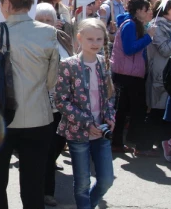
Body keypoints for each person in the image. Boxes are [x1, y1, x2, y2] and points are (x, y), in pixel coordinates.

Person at [0, 0, 59, 209]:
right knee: (34, 185)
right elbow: (52, 80)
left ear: (7, 4)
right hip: (40, 118)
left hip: (1, 117)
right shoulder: (48, 32)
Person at [55, 18, 115, 209]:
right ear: (79, 38)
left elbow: (110, 96)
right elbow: (61, 100)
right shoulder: (68, 65)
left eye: (99, 39)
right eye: (90, 39)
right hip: (78, 132)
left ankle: (89, 204)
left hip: (102, 132)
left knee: (106, 180)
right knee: (82, 183)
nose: (95, 43)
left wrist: (111, 117)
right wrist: (87, 122)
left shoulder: (103, 63)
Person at [35, 2, 73, 207]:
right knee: (45, 150)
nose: (45, 24)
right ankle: (45, 192)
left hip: (62, 105)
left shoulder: (63, 39)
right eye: (40, 20)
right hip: (39, 105)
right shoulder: (29, 42)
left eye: (48, 20)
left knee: (57, 145)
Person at [110, 0, 157, 156]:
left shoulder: (133, 24)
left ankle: (118, 143)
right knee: (135, 110)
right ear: (138, 11)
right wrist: (148, 37)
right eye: (146, 9)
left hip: (130, 74)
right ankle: (139, 145)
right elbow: (130, 49)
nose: (148, 11)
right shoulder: (130, 25)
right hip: (127, 75)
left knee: (123, 110)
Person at [146, 0, 171, 163]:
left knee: (166, 109)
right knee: (158, 109)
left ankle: (164, 141)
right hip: (161, 72)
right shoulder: (157, 26)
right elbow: (165, 50)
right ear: (165, 9)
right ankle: (153, 141)